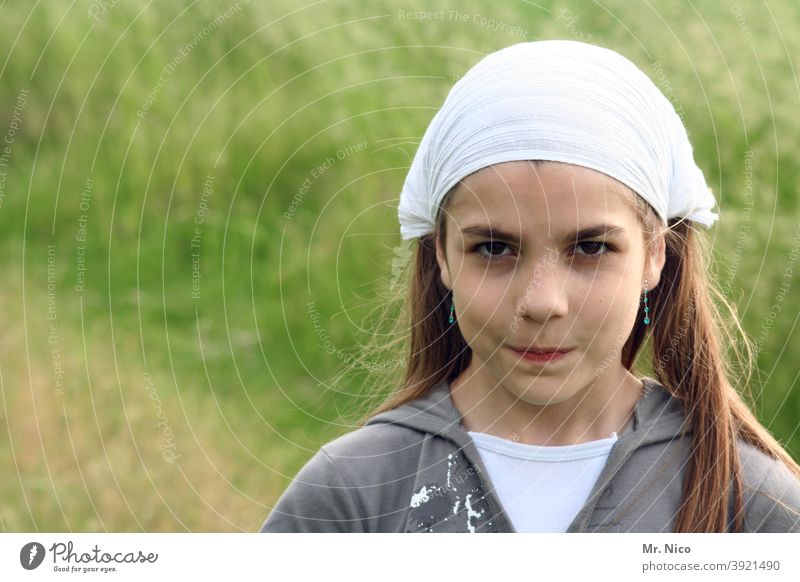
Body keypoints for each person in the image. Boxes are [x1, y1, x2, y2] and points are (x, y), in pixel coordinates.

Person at [260, 40, 800, 533]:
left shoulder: (749, 505)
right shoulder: (352, 496)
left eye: (590, 248)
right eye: (494, 248)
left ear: (655, 253)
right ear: (442, 256)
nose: (541, 302)